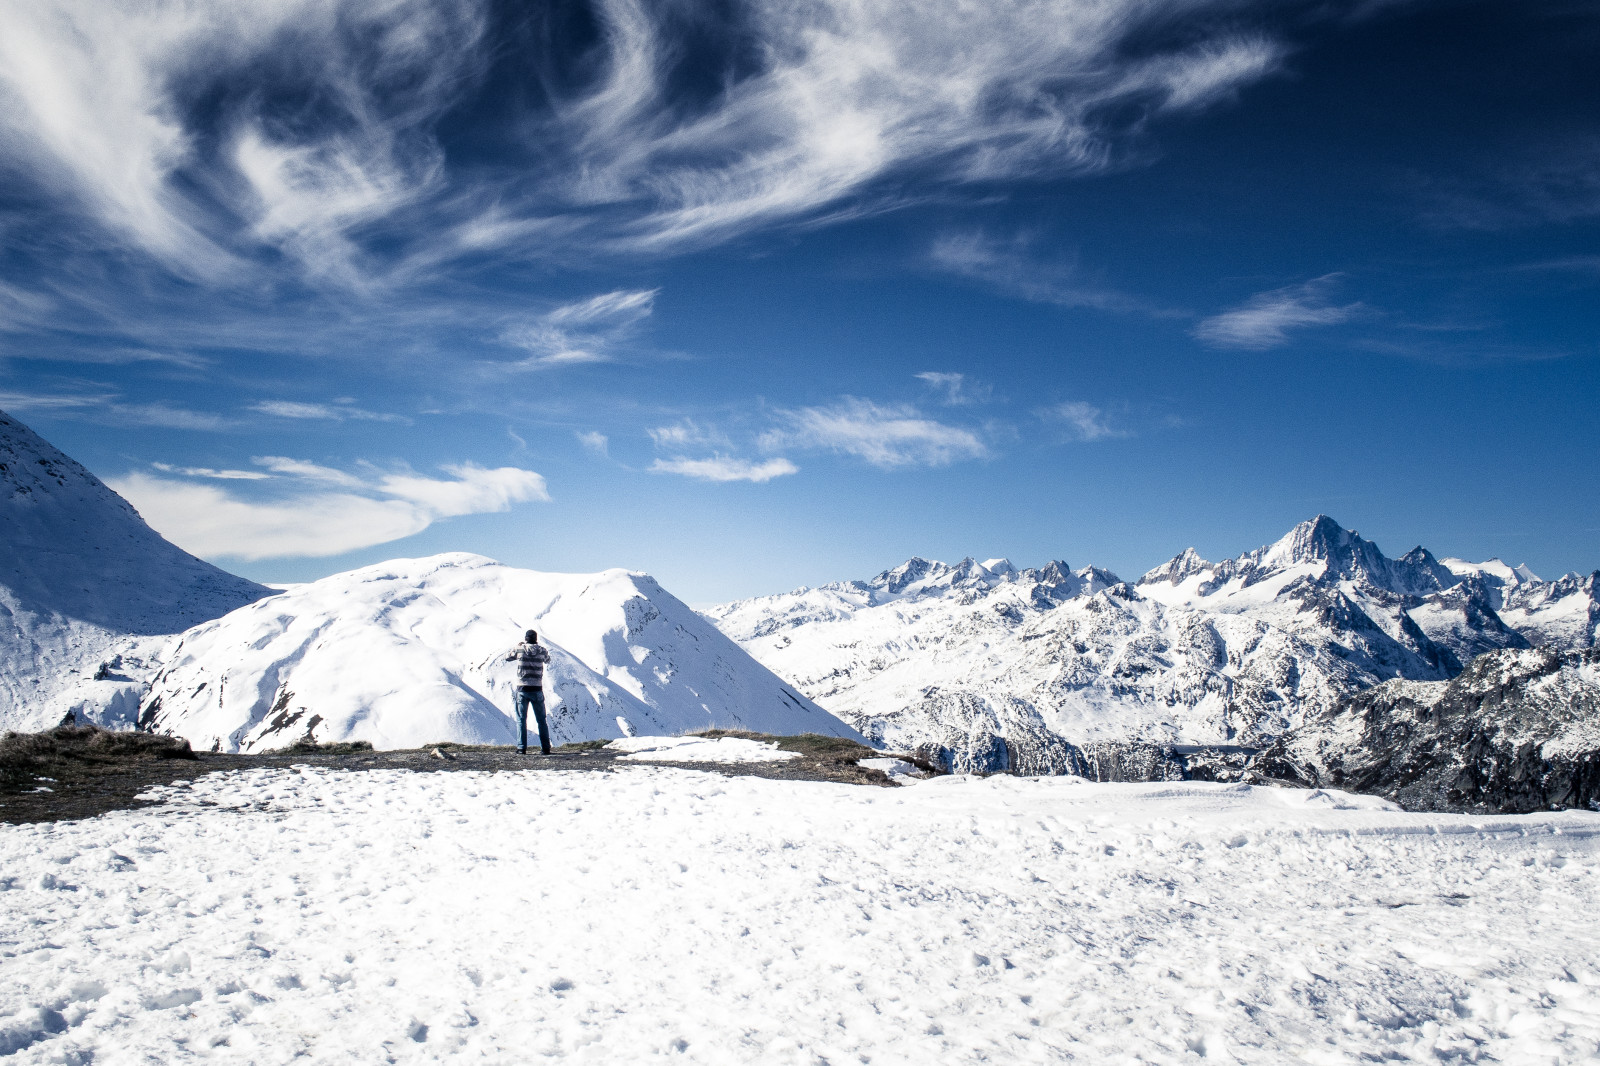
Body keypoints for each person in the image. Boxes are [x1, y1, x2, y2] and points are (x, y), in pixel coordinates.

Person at [504, 629, 553, 755]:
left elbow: (507, 657)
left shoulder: (520, 649)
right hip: (537, 689)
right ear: (536, 639)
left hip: (522, 689)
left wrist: (518, 646)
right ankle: (545, 748)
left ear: (526, 638)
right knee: (541, 720)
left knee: (521, 719)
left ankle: (521, 748)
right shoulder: (542, 650)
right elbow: (548, 660)